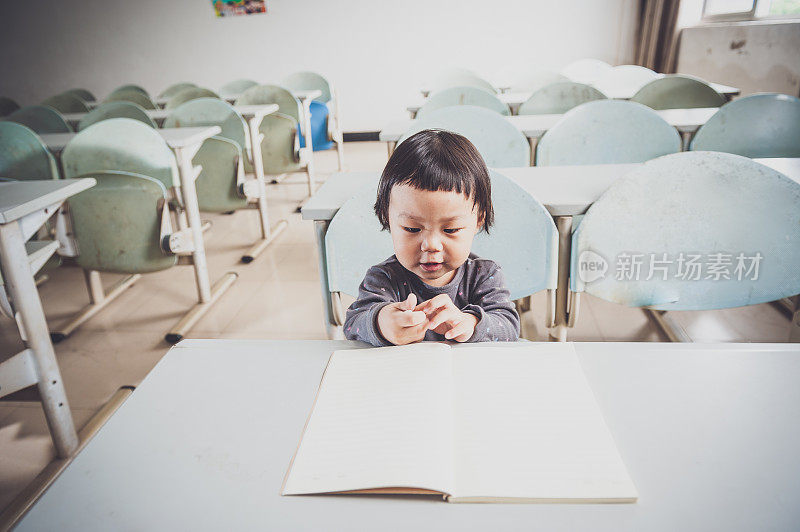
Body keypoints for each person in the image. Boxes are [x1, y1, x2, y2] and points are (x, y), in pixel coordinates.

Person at [344, 129, 520, 346]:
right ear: (386, 218)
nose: (431, 245)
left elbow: (509, 326)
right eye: (411, 228)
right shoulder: (384, 278)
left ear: (479, 220)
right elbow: (353, 324)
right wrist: (381, 323)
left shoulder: (484, 275)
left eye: (451, 230)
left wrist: (471, 323)